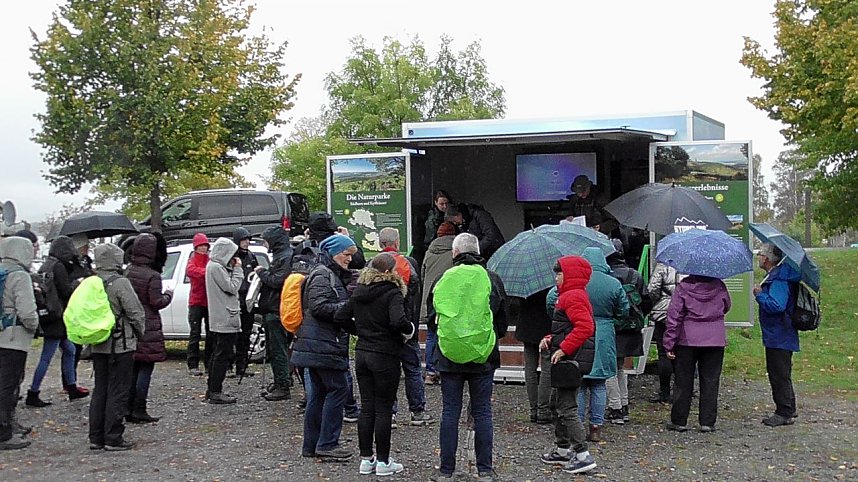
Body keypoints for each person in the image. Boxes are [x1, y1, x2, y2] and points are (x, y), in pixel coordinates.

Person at [426, 233, 508, 480]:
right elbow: (502, 323)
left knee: (450, 411)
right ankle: (485, 470)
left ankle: (446, 470)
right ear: (478, 252)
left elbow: (431, 320)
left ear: (455, 253)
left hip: (449, 355)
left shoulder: (443, 278)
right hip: (483, 356)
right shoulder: (491, 279)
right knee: (482, 412)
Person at [334, 253, 414, 476]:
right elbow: (398, 320)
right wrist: (408, 330)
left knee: (367, 407)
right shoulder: (392, 291)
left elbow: (340, 316)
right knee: (384, 408)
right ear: (388, 271)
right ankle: (383, 461)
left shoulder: (359, 291)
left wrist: (359, 331)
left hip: (363, 353)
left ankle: (366, 459)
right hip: (385, 354)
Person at [291, 234, 357, 460]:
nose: (349, 259)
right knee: (338, 389)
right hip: (323, 344)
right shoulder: (323, 274)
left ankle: (311, 445)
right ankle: (327, 443)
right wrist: (349, 307)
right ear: (333, 253)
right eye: (346, 254)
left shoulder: (325, 273)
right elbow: (319, 307)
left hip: (315, 344)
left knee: (318, 394)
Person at [539, 256, 597, 475]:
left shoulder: (572, 296)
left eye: (559, 273)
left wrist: (563, 348)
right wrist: (551, 339)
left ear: (570, 275)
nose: (556, 277)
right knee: (557, 403)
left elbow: (585, 327)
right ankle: (562, 449)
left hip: (570, 360)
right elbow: (567, 327)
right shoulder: (571, 295)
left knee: (566, 407)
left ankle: (583, 455)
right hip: (569, 359)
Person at [88, 243, 146, 451]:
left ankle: (96, 436)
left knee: (100, 390)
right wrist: (140, 333)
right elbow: (135, 311)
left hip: (98, 342)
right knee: (119, 390)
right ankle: (113, 436)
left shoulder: (92, 281)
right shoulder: (120, 283)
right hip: (120, 344)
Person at [378, 227, 434, 426]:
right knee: (412, 370)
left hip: (383, 330)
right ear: (398, 242)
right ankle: (417, 412)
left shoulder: (373, 266)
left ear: (380, 244)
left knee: (386, 372)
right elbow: (414, 293)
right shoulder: (409, 264)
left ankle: (389, 414)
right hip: (407, 326)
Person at [663, 274, 731, 433]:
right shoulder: (719, 285)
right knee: (711, 381)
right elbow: (727, 306)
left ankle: (679, 420)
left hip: (687, 340)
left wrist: (669, 343)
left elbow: (674, 316)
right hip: (715, 339)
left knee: (683, 381)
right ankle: (707, 422)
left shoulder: (683, 287)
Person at [27, 235, 88, 407]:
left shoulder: (47, 264)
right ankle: (33, 392)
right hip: (57, 316)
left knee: (69, 350)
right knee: (47, 356)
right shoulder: (59, 266)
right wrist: (78, 282)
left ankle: (71, 386)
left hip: (50, 314)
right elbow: (66, 291)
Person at [578, 247, 628, 442]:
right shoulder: (613, 283)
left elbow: (552, 300)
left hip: (579, 331)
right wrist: (612, 321)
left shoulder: (577, 281)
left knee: (580, 383)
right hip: (604, 333)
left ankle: (577, 425)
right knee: (599, 383)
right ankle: (596, 427)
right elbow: (624, 309)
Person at [125, 233, 174, 424]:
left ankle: (128, 407)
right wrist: (168, 295)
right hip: (148, 325)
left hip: (132, 324)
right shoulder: (153, 275)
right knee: (145, 368)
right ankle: (139, 408)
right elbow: (156, 302)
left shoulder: (129, 271)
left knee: (133, 368)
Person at [754, 243, 802, 427]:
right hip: (778, 333)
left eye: (760, 254)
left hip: (780, 334)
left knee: (778, 374)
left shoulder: (779, 280)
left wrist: (760, 295)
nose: (758, 257)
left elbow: (777, 305)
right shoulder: (777, 276)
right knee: (782, 372)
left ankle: (784, 412)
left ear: (767, 258)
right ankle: (789, 407)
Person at [0, 236, 39, 450]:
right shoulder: (20, 276)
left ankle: (8, 425)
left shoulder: (1, 271)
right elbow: (27, 312)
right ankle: (4, 433)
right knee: (9, 386)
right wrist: (34, 326)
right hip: (14, 339)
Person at [605, 239, 648, 425]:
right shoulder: (634, 274)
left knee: (609, 368)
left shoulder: (605, 276)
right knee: (620, 367)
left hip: (611, 327)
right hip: (630, 328)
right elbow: (646, 300)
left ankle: (615, 408)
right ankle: (624, 405)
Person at [255, 226, 294, 401]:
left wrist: (261, 272)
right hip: (275, 307)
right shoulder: (282, 255)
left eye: (266, 241)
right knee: (277, 348)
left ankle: (283, 384)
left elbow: (278, 281)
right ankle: (282, 380)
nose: (265, 245)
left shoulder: (285, 257)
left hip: (277, 308)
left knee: (278, 349)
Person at [205, 238, 245, 404]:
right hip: (225, 316)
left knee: (218, 353)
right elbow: (232, 287)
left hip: (221, 316)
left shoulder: (214, 266)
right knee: (222, 355)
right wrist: (238, 270)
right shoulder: (216, 268)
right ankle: (215, 391)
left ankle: (212, 389)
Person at [420, 220, 458, 385]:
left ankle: (430, 371)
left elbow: (422, 276)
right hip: (448, 299)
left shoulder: (430, 251)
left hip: (430, 299)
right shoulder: (455, 252)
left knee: (431, 335)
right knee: (448, 334)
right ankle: (445, 369)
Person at [511, 289, 553, 424]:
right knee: (547, 368)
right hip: (547, 325)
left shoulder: (524, 284)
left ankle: (533, 410)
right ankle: (543, 410)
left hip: (527, 324)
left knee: (530, 369)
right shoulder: (550, 283)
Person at [647, 262, 684, 404]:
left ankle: (664, 392)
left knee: (663, 354)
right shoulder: (689, 267)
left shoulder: (663, 266)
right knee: (683, 353)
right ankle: (682, 391)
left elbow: (652, 289)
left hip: (663, 314)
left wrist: (656, 303)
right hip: (683, 314)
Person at [232, 228, 259, 378]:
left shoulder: (251, 256)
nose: (246, 242)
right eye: (244, 240)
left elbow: (256, 274)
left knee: (246, 334)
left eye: (248, 240)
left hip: (248, 299)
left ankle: (241, 366)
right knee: (232, 335)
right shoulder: (232, 257)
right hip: (234, 299)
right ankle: (228, 366)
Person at [185, 233, 210, 377]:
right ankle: (192, 364)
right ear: (195, 247)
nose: (203, 248)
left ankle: (208, 364)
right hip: (196, 302)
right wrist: (207, 272)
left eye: (205, 246)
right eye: (200, 246)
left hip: (209, 302)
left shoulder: (209, 260)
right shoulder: (192, 260)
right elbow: (190, 271)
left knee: (211, 334)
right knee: (195, 334)